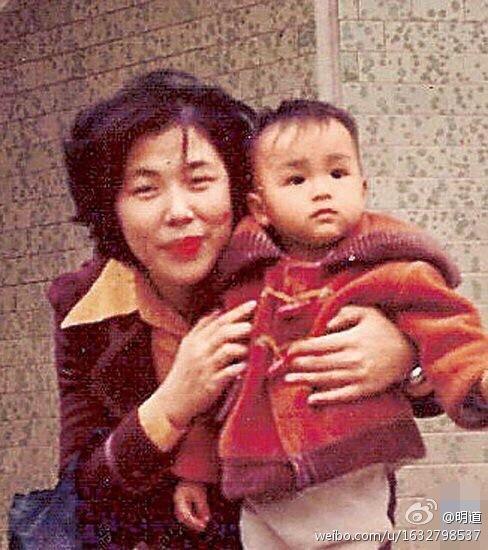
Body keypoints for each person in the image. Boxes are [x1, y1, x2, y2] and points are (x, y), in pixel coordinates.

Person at [51, 71, 435, 549]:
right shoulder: (85, 303)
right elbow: (81, 491)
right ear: (109, 206)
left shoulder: (299, 261)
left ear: (238, 189)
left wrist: (405, 358)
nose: (179, 211)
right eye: (146, 189)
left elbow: (439, 352)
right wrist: (172, 404)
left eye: (199, 181)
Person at [173, 100, 488, 549]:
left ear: (362, 187)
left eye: (337, 174)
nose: (321, 191)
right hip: (262, 486)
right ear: (260, 207)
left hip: (346, 469)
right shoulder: (242, 285)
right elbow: (218, 387)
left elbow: (449, 330)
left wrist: (478, 375)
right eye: (297, 180)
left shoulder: (389, 269)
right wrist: (194, 471)